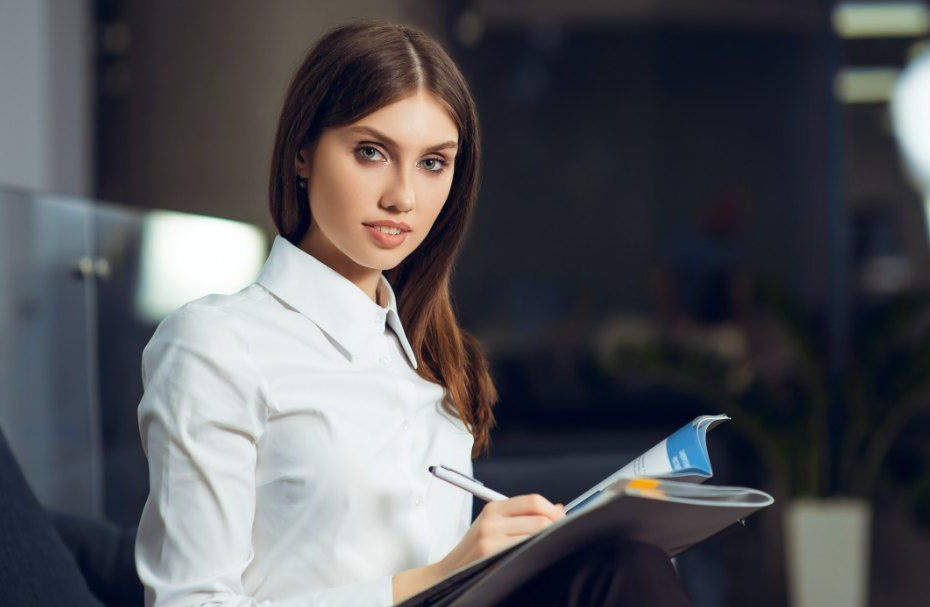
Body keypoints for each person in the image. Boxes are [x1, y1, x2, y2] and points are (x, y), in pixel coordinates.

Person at [134, 18, 693, 607]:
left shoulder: (434, 360)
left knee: (627, 557)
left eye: (433, 163)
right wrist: (442, 574)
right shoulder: (216, 344)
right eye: (371, 152)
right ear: (303, 153)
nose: (403, 196)